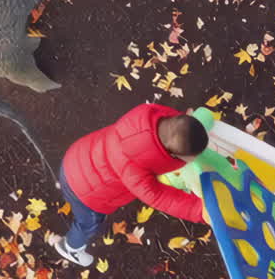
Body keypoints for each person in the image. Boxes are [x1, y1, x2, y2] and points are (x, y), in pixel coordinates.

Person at [52, 103, 209, 266]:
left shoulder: (146, 113)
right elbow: (161, 197)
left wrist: (187, 121)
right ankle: (70, 247)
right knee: (89, 223)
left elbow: (175, 122)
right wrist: (200, 211)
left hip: (77, 156)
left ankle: (65, 188)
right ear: (173, 154)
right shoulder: (134, 172)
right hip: (85, 192)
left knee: (79, 182)